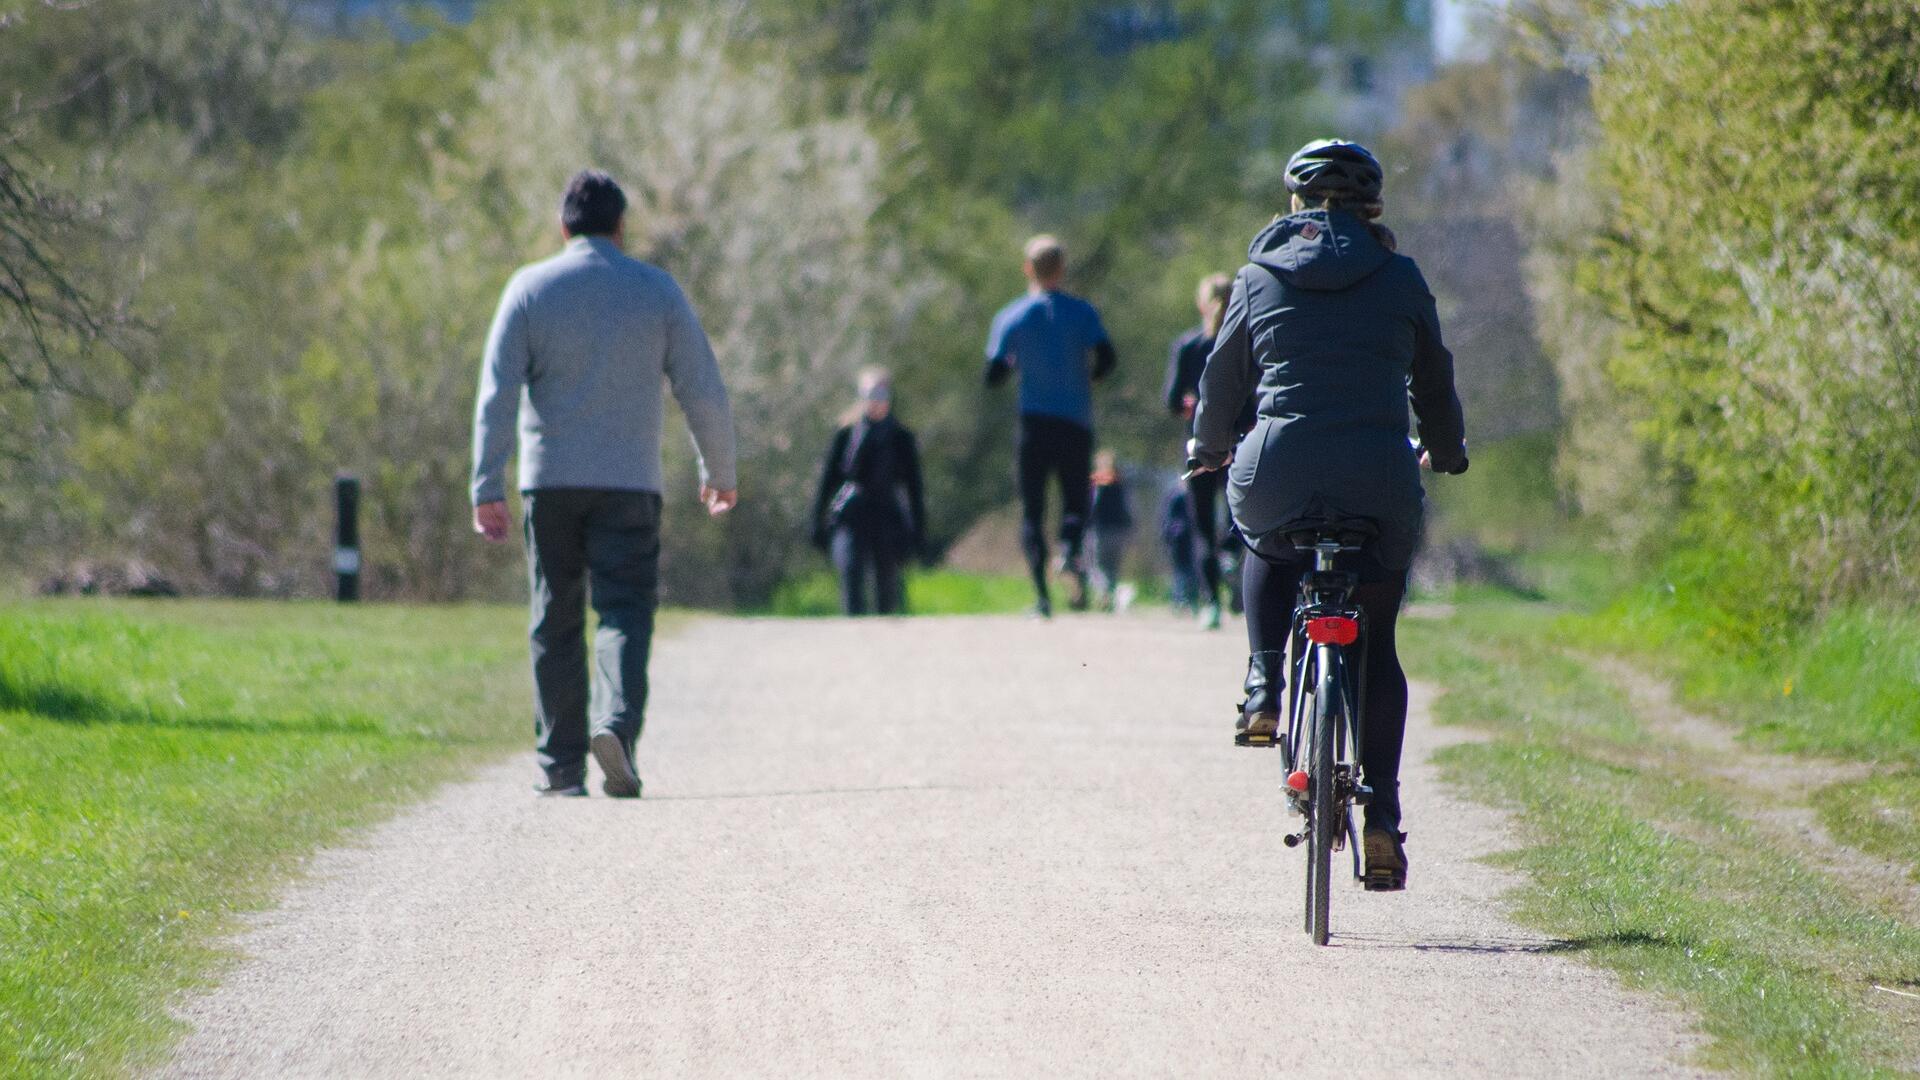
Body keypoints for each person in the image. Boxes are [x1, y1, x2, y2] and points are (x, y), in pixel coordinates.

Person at [1188, 139, 1468, 890]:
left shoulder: (1255, 276)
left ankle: (1263, 685)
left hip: (1279, 469)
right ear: (1373, 208)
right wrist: (1446, 450)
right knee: (1378, 643)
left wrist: (1207, 448)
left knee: (1264, 540)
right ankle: (1381, 814)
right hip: (1378, 477)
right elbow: (1433, 382)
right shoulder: (1401, 276)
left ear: (1294, 204)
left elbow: (1221, 383)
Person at [471, 169, 738, 799]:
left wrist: (487, 485)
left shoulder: (529, 288)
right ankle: (614, 726)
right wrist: (719, 472)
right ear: (621, 228)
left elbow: (497, 394)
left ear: (563, 226)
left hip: (551, 482)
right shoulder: (657, 291)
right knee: (623, 611)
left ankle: (561, 768)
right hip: (629, 484)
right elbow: (702, 385)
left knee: (554, 618)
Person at [985, 234, 1117, 618]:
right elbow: (1107, 358)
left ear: (1028, 269)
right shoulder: (1083, 313)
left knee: (1033, 509)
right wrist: (1088, 377)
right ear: (1062, 269)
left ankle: (1042, 598)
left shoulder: (1012, 316)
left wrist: (1016, 364)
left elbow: (992, 374)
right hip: (1075, 420)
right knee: (1076, 499)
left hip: (1033, 424)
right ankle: (1069, 548)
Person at [810, 368, 926, 616]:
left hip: (886, 515)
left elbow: (914, 486)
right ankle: (854, 635)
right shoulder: (845, 434)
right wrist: (816, 520)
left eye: (881, 393)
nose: (876, 400)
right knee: (850, 572)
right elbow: (828, 480)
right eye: (870, 394)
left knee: (887, 583)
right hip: (852, 513)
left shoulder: (900, 437)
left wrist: (918, 528)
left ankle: (883, 639)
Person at [1163, 273, 1239, 630]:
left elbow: (1172, 400)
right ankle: (1233, 558)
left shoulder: (1189, 345)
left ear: (1200, 303)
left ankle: (1211, 603)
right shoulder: (1245, 342)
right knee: (1242, 518)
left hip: (1200, 447)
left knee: (1203, 529)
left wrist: (1189, 404)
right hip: (1240, 444)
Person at [1086, 450, 1133, 611]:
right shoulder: (1121, 482)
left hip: (1100, 530)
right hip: (1119, 530)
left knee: (1098, 565)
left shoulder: (1096, 482)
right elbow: (1128, 508)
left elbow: (1092, 506)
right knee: (1113, 567)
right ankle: (1110, 596)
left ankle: (1105, 593)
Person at [1160, 484, 1199, 612]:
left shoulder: (1178, 496)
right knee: (1183, 572)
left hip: (1185, 541)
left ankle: (1185, 600)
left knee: (1185, 572)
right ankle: (1182, 600)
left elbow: (1166, 521)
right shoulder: (1179, 497)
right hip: (1181, 541)